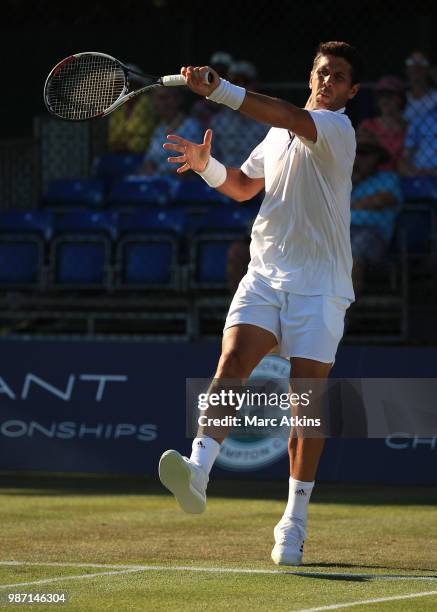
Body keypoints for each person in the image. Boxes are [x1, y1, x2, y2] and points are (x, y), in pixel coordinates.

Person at [159, 41, 362, 567]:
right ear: (310, 74)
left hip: (321, 284)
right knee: (231, 363)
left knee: (306, 404)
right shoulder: (279, 134)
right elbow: (246, 186)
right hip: (266, 274)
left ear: (350, 91)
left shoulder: (336, 129)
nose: (327, 82)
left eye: (338, 77)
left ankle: (294, 520)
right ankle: (198, 471)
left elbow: (291, 114)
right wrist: (207, 167)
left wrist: (220, 90)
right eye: (321, 72)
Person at [350, 132, 403, 294]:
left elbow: (382, 200)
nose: (359, 157)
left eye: (365, 153)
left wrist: (349, 204)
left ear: (377, 157)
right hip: (340, 230)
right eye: (356, 152)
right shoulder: (345, 180)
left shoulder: (388, 178)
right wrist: (355, 180)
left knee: (352, 255)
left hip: (372, 233)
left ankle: (344, 316)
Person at [140, 88, 202, 176]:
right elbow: (149, 161)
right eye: (159, 99)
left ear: (178, 100)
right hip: (157, 181)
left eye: (166, 98)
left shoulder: (192, 126)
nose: (163, 104)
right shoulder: (159, 129)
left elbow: (192, 165)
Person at [357, 76, 406, 172]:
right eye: (381, 96)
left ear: (400, 99)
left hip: (399, 175)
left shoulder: (407, 127)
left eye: (390, 96)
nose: (385, 100)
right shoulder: (367, 125)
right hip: (370, 175)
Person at [403, 51, 437, 123]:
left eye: (422, 62)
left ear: (428, 70)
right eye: (411, 62)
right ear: (407, 69)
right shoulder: (400, 98)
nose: (416, 66)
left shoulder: (435, 98)